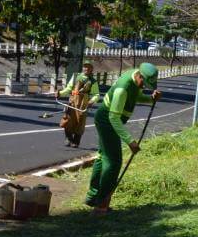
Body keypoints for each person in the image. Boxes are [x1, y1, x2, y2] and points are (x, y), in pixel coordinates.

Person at [85, 63, 162, 214]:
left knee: (102, 156)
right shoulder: (122, 89)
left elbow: (136, 96)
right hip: (107, 121)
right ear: (139, 76)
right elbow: (113, 118)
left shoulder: (135, 77)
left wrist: (151, 98)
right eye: (144, 84)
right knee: (113, 162)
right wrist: (130, 141)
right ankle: (101, 204)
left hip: (110, 120)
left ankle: (93, 197)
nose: (144, 87)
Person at [57, 62, 100, 147]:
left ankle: (76, 140)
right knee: (68, 119)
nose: (86, 69)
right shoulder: (75, 76)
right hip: (72, 101)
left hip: (83, 103)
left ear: (91, 69)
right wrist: (60, 93)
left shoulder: (93, 81)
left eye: (89, 67)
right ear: (82, 67)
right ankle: (68, 138)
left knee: (80, 121)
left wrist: (91, 101)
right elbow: (69, 88)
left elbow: (96, 95)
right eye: (85, 67)